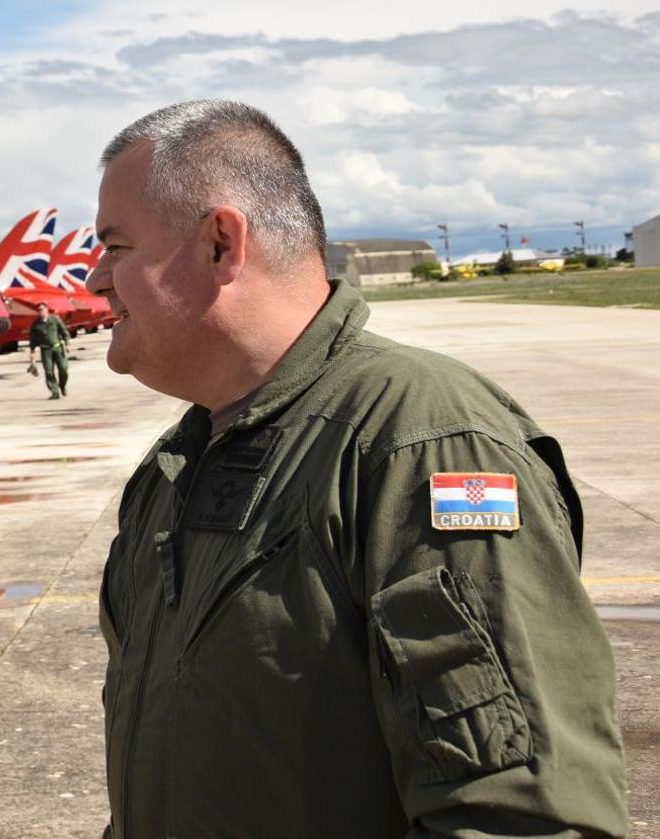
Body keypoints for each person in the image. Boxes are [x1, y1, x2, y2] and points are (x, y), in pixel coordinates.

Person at [85, 101, 625, 837]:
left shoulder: (420, 444)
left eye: (115, 247)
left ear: (220, 245)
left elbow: (522, 816)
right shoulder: (178, 465)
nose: (94, 279)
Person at [26, 301, 71, 398]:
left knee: (63, 369)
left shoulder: (55, 319)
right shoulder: (36, 324)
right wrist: (32, 351)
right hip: (45, 350)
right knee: (49, 371)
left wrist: (67, 344)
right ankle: (55, 392)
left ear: (46, 309)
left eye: (41, 309)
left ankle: (62, 386)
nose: (40, 312)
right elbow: (33, 339)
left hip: (57, 348)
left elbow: (64, 332)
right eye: (38, 310)